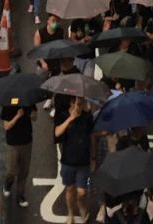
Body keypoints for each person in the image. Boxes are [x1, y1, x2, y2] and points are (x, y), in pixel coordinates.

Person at [55, 96, 94, 224]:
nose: (78, 105)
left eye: (81, 103)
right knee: (70, 188)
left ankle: (81, 206)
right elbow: (57, 133)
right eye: (76, 102)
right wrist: (70, 118)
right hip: (68, 160)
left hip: (83, 161)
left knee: (82, 192)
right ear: (71, 103)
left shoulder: (87, 117)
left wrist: (93, 157)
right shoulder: (62, 115)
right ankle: (70, 213)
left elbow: (91, 137)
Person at [1, 97, 34, 208]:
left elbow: (35, 117)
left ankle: (20, 195)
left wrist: (31, 114)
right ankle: (7, 183)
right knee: (11, 170)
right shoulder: (8, 105)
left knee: (24, 171)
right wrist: (17, 116)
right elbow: (6, 126)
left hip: (27, 142)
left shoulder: (29, 103)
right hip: (13, 144)